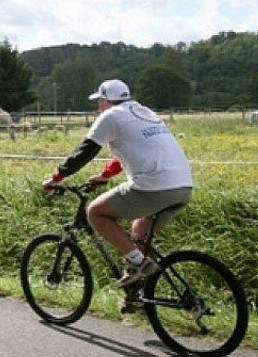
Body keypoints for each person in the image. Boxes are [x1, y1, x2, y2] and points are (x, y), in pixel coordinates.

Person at [42, 79, 193, 311]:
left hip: (154, 186)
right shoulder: (144, 112)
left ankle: (138, 264)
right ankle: (137, 296)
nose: (99, 106)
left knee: (95, 212)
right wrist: (104, 175)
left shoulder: (111, 116)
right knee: (138, 234)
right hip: (183, 187)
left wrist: (57, 177)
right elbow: (132, 149)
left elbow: (86, 151)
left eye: (99, 102)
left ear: (105, 100)